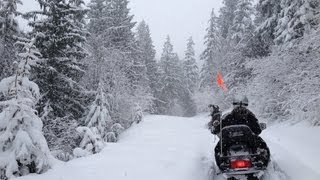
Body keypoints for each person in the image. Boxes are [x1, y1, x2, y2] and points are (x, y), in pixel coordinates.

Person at [212, 96, 270, 170]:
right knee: (262, 146)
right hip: (247, 141)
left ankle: (222, 163)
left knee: (218, 149)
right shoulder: (250, 117)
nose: (240, 107)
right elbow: (257, 130)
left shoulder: (228, 117)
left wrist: (215, 128)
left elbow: (218, 128)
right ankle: (262, 162)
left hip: (230, 141)